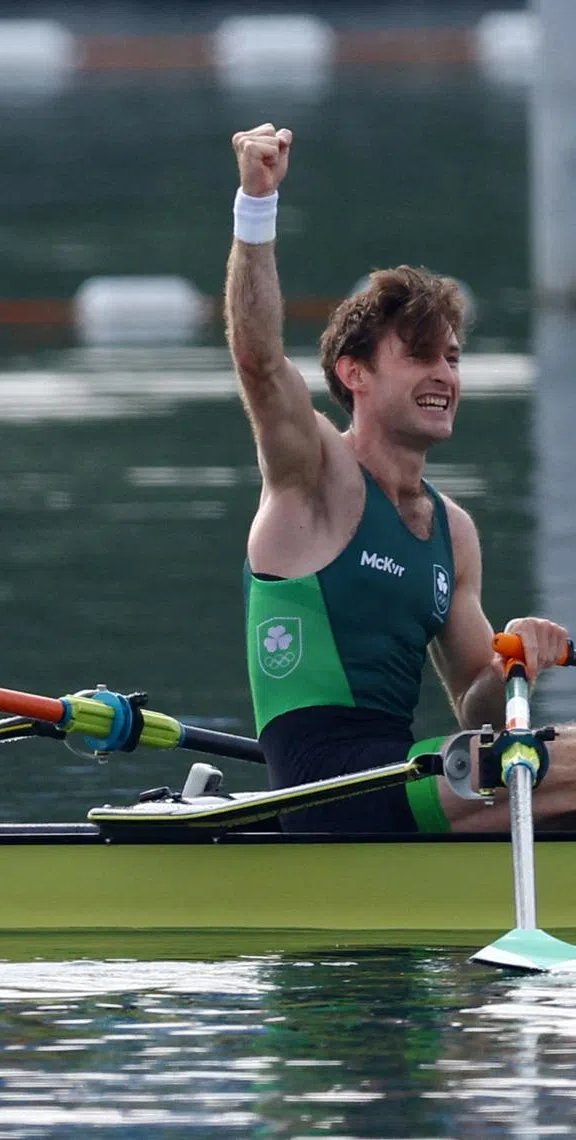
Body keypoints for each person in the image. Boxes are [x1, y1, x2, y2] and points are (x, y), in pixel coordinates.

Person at [225, 123, 576, 834]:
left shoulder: (454, 530)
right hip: (324, 795)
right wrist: (255, 205)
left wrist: (518, 659)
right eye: (420, 356)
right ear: (354, 373)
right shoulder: (316, 475)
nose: (445, 375)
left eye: (452, 358)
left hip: (407, 780)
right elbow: (260, 361)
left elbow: (478, 708)